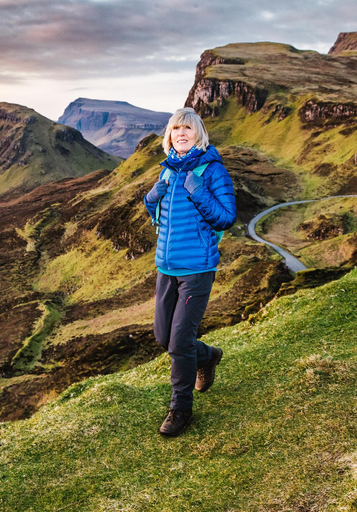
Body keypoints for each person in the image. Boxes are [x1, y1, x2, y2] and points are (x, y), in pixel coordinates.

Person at [143, 107, 237, 437]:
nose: (181, 134)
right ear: (169, 137)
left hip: (197, 269)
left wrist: (198, 190)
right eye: (175, 129)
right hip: (166, 267)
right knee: (163, 336)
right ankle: (208, 357)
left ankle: (180, 409)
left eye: (188, 128)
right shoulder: (168, 171)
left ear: (198, 134)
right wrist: (151, 197)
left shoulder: (212, 171)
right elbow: (156, 211)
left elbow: (226, 217)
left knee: (179, 342)